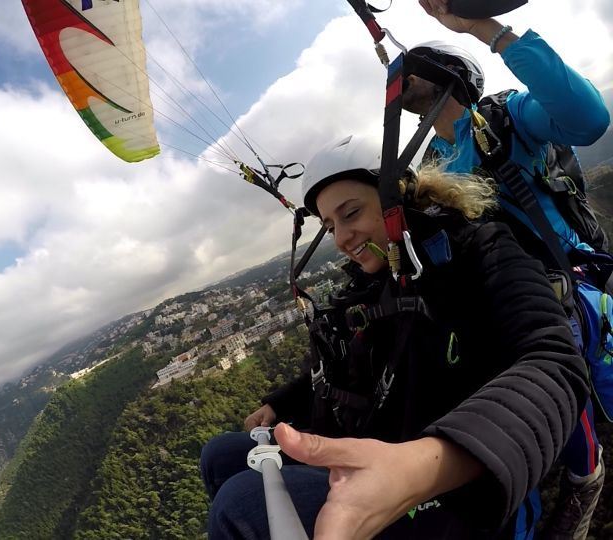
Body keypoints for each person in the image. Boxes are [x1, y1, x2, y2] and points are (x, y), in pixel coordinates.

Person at [200, 134, 590, 539]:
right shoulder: (374, 285)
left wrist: (421, 467)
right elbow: (342, 368)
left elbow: (555, 361)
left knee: (241, 506)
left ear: (396, 195)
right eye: (330, 226)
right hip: (372, 450)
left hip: (448, 481)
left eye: (351, 213)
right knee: (221, 457)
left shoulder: (480, 250)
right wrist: (280, 403)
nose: (341, 238)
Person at [401, 3, 610, 537]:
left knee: (574, 372)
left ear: (448, 76)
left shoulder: (507, 117)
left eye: (410, 75)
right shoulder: (431, 169)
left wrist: (484, 29)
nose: (399, 87)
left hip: (562, 285)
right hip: (497, 299)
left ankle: (586, 479)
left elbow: (588, 120)